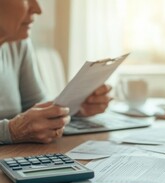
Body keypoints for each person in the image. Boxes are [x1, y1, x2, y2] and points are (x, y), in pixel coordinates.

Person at [0, 0, 112, 144]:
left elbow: (35, 109)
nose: (38, 9)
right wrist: (11, 131)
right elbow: (17, 127)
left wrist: (73, 108)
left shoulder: (18, 43)